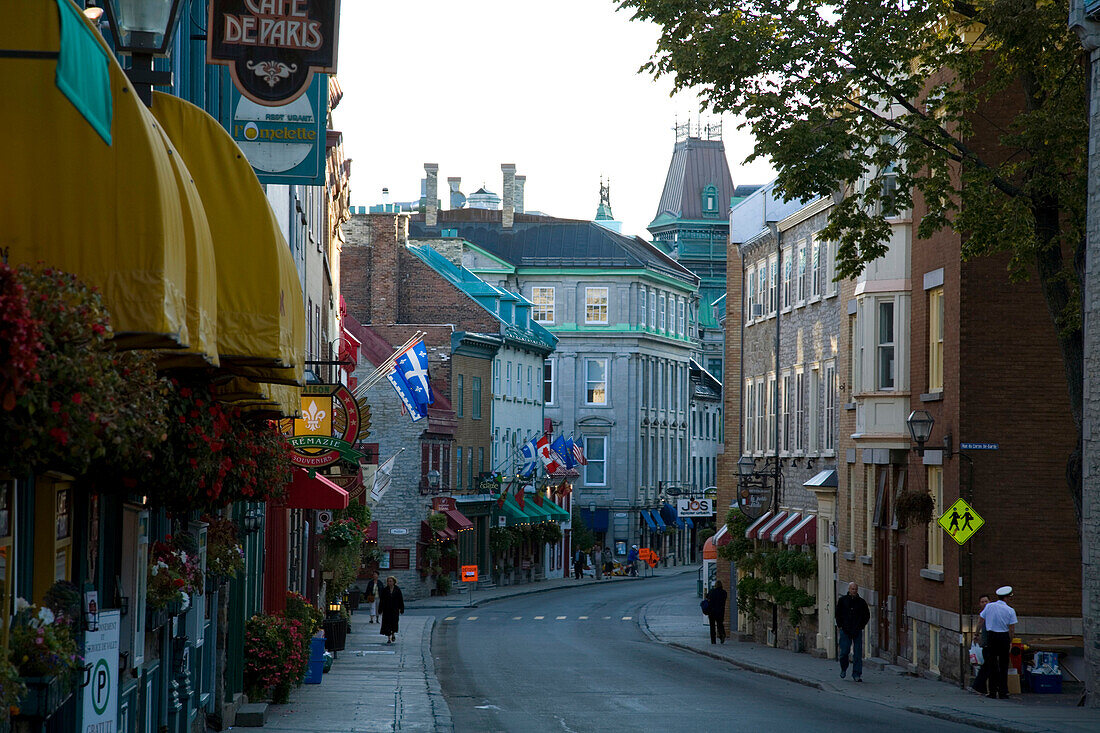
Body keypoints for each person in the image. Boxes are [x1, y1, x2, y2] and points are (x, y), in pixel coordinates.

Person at [980, 585, 1018, 699]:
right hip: (1003, 637)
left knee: (992, 664)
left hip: (991, 636)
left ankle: (992, 691)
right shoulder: (1010, 610)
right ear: (1006, 598)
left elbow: (981, 619)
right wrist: (1010, 641)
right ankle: (1003, 691)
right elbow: (1011, 628)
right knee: (1003, 665)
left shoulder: (989, 606)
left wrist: (977, 633)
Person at [836, 581, 870, 682]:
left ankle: (857, 674)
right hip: (845, 630)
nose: (854, 591)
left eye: (855, 589)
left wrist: (861, 625)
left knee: (858, 653)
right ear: (849, 589)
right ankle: (843, 668)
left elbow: (866, 615)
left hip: (857, 630)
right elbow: (838, 614)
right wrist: (840, 625)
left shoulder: (861, 602)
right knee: (844, 652)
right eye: (852, 589)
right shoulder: (843, 601)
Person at [971, 594, 992, 695]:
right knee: (987, 665)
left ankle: (980, 687)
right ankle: (979, 686)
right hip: (986, 643)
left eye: (986, 601)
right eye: (982, 602)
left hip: (990, 643)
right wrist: (976, 634)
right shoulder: (984, 614)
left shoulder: (991, 612)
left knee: (987, 665)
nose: (984, 604)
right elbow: (980, 623)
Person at [378, 575, 404, 644]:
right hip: (387, 609)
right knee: (387, 624)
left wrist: (401, 608)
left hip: (395, 609)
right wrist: (380, 609)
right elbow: (382, 600)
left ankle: (393, 634)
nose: (389, 583)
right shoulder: (385, 590)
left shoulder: (397, 590)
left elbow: (400, 600)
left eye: (390, 581)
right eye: (388, 581)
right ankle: (388, 638)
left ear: (394, 582)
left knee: (394, 623)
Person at [706, 580, 728, 644]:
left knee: (712, 626)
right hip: (720, 611)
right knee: (720, 624)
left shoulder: (712, 592)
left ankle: (713, 640)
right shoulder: (724, 592)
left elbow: (707, 598)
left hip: (712, 611)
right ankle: (722, 634)